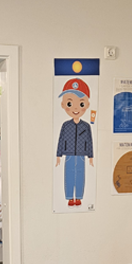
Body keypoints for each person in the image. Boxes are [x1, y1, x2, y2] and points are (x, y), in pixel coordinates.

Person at [55, 78, 93, 207]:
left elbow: (89, 141)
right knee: (69, 175)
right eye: (70, 103)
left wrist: (91, 156)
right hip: (69, 155)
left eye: (81, 104)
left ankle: (79, 197)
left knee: (80, 176)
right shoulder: (66, 125)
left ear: (87, 105)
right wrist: (58, 155)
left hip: (82, 155)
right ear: (63, 104)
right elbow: (61, 140)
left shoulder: (86, 126)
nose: (76, 108)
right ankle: (70, 197)